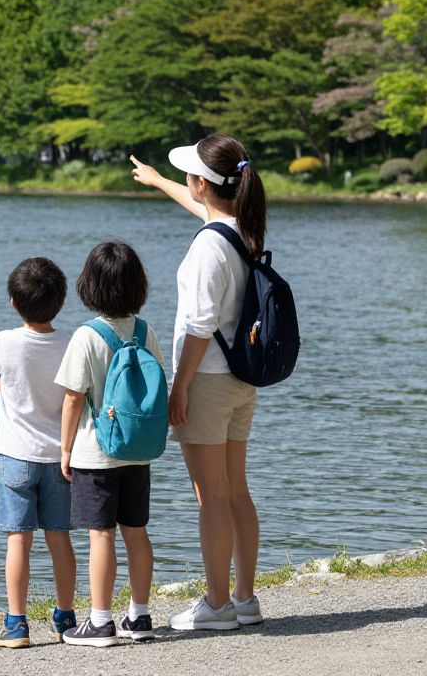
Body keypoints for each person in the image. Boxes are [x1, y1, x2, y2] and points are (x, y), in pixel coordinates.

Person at [130, 134, 266, 631]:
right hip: (241, 380)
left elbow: (199, 326)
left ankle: (217, 604)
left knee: (211, 496)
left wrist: (179, 386)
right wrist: (159, 181)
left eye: (189, 175)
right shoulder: (243, 229)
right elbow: (203, 210)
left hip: (207, 381)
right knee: (236, 491)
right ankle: (244, 598)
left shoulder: (209, 247)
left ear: (204, 183)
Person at [55, 241, 164, 647]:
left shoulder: (87, 336)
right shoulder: (145, 331)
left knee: (101, 536)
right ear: (138, 285)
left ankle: (100, 622)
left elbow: (73, 398)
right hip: (137, 451)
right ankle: (139, 616)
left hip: (96, 454)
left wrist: (65, 450)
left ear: (90, 285)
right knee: (137, 533)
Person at [0, 257, 78, 648]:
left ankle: (16, 623)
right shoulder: (71, 343)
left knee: (18, 541)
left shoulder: (4, 341)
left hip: (16, 456)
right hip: (60, 456)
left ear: (13, 302)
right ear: (61, 301)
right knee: (60, 539)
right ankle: (66, 617)